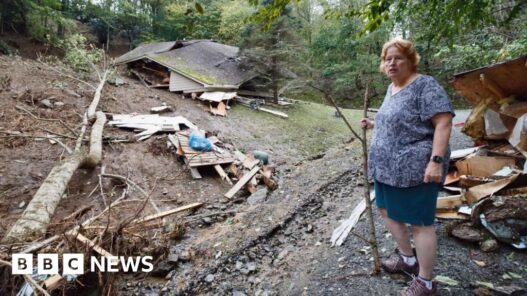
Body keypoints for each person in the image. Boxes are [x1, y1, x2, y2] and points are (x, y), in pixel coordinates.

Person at [361, 38, 454, 296]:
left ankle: (425, 282)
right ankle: (407, 258)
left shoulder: (425, 85)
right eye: (387, 59)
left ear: (410, 61)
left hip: (415, 169)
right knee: (386, 210)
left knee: (420, 222)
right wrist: (374, 123)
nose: (391, 63)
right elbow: (398, 121)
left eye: (397, 58)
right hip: (386, 168)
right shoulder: (392, 89)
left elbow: (443, 123)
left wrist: (435, 161)